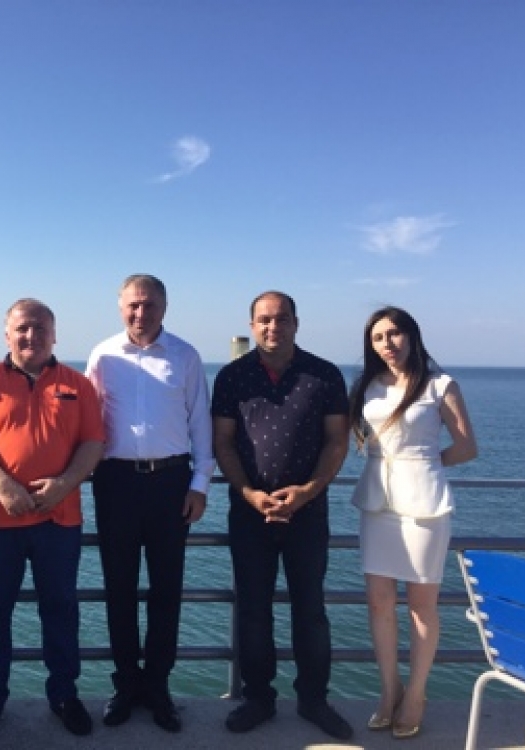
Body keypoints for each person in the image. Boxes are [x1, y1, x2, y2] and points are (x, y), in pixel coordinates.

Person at [0, 298, 104, 740]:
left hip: (59, 519)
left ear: (54, 335)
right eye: (22, 328)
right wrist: (3, 486)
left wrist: (65, 484)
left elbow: (93, 443)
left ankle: (64, 694)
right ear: (7, 335)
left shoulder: (78, 384)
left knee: (60, 609)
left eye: (40, 328)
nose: (31, 336)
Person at [211, 290, 353, 741]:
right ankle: (258, 698)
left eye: (282, 318)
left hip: (307, 514)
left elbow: (337, 442)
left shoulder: (325, 374)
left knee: (310, 610)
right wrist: (250, 494)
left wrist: (308, 492)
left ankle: (314, 700)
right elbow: (223, 442)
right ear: (252, 325)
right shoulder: (232, 377)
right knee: (253, 611)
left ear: (296, 322)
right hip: (248, 514)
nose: (273, 327)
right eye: (265, 320)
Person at [85, 274, 214, 733]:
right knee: (118, 588)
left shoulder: (185, 356)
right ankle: (125, 685)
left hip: (171, 483)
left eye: (150, 305)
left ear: (165, 307)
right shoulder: (102, 355)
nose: (141, 313)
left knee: (166, 590)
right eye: (133, 305)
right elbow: (88, 421)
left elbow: (201, 424)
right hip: (115, 482)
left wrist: (200, 484)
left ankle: (158, 686)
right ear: (120, 306)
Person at [349, 306, 477, 739]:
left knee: (422, 606)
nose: (387, 343)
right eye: (378, 337)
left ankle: (416, 694)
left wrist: (424, 464)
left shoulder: (441, 385)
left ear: (412, 336)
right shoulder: (367, 386)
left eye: (395, 334)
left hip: (424, 504)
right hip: (376, 501)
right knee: (378, 603)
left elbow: (466, 447)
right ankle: (390, 691)